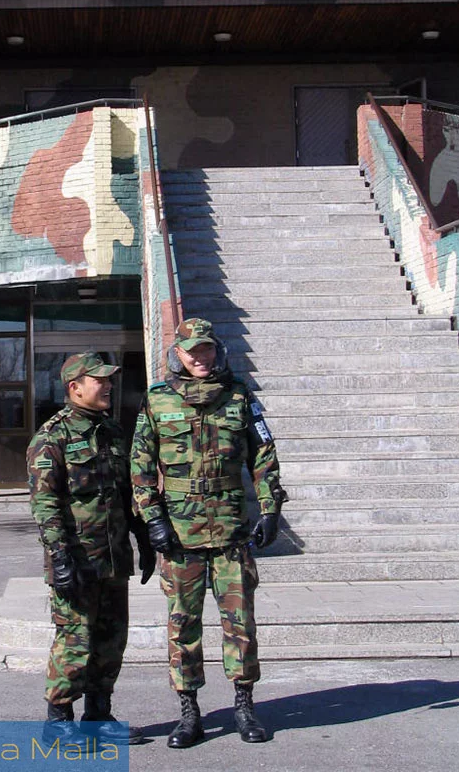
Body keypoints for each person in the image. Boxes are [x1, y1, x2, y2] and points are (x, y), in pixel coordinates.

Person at [131, 318, 287, 748]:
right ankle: (189, 712)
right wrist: (153, 518)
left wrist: (271, 508)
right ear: (177, 355)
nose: (201, 357)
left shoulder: (239, 397)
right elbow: (140, 466)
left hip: (231, 533)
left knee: (241, 624)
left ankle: (244, 705)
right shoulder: (157, 402)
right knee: (183, 625)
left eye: (207, 349)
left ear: (216, 351)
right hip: (180, 535)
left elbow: (264, 456)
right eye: (192, 351)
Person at [27, 351, 155, 744]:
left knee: (111, 641)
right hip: (78, 561)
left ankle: (98, 716)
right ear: (75, 387)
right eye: (99, 380)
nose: (108, 386)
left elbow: (126, 491)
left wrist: (143, 538)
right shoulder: (52, 437)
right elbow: (45, 504)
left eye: (109, 379)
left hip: (113, 558)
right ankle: (58, 721)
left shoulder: (113, 432)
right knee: (75, 641)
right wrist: (61, 556)